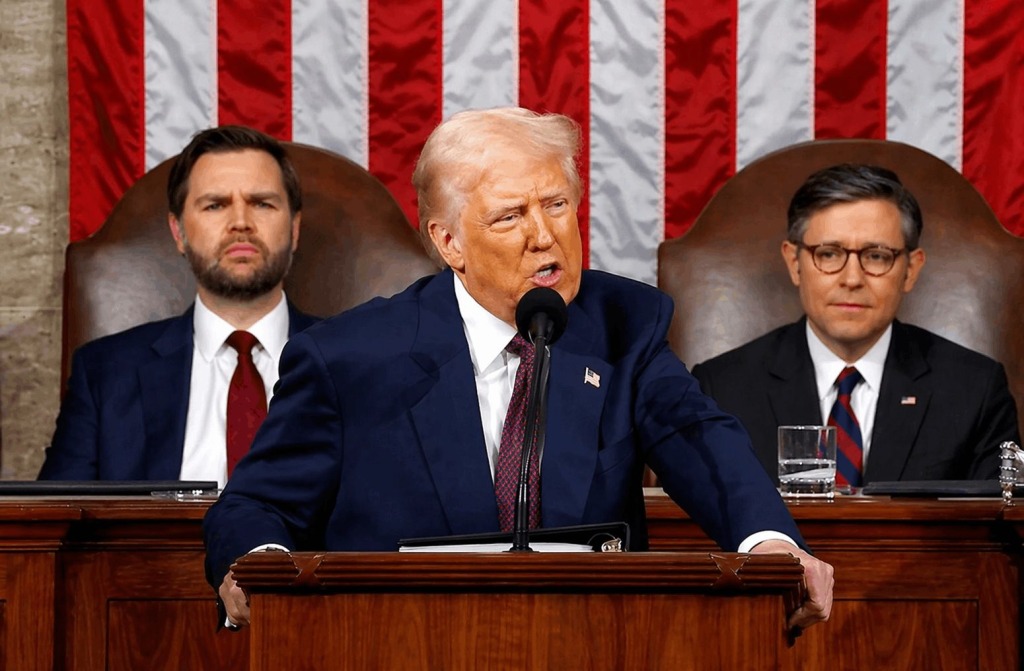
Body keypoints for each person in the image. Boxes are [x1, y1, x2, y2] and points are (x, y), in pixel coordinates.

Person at [203, 107, 833, 631]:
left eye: (557, 205)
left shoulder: (621, 325)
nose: (544, 236)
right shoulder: (350, 357)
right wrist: (263, 573)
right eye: (510, 216)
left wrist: (771, 546)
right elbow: (253, 506)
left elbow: (699, 438)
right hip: (396, 644)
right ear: (450, 243)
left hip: (589, 643)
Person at [692, 164, 1020, 487]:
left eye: (877, 256)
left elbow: (997, 534)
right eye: (829, 254)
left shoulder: (973, 389)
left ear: (910, 270)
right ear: (794, 263)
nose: (852, 279)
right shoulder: (721, 389)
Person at [39, 126, 318, 486]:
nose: (240, 223)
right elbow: (53, 526)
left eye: (262, 203)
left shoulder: (352, 364)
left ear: (294, 228)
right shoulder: (105, 376)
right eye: (215, 205)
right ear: (178, 233)